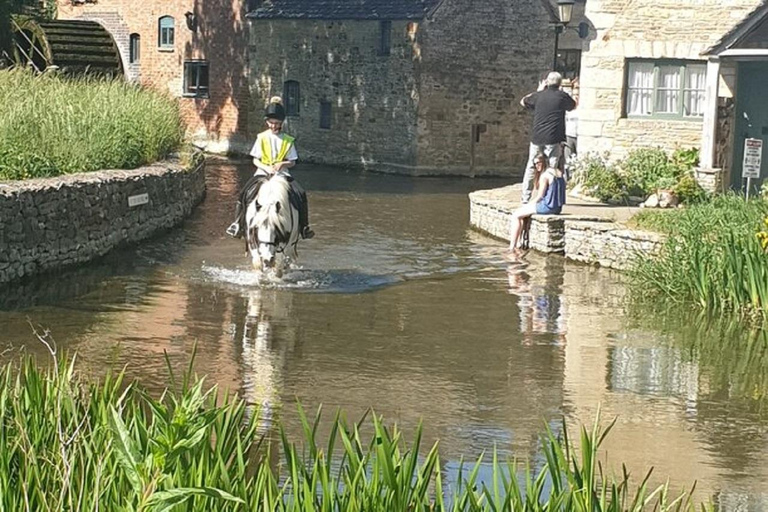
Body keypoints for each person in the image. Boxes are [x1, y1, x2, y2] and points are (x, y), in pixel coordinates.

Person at [226, 97, 314, 240]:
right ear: (267, 122)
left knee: (300, 193)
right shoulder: (261, 137)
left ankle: (304, 227)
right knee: (244, 192)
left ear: (281, 123)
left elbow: (292, 161)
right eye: (271, 123)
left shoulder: (288, 140)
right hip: (262, 172)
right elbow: (255, 159)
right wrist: (265, 167)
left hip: (282, 174)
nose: (273, 126)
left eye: (276, 123)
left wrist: (282, 164)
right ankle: (237, 224)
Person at [519, 71, 576, 204]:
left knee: (531, 166)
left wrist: (537, 91)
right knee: (551, 168)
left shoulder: (538, 96)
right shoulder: (562, 96)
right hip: (553, 138)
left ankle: (525, 198)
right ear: (560, 83)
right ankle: (546, 197)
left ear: (547, 82)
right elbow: (572, 106)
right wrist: (562, 93)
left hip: (537, 137)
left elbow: (522, 102)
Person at [506, 153, 566, 257]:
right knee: (522, 216)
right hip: (557, 208)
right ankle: (519, 243)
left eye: (538, 163)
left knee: (516, 215)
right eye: (535, 164)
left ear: (543, 162)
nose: (536, 166)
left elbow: (540, 197)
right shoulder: (559, 172)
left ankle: (512, 246)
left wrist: (527, 205)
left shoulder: (545, 176)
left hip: (547, 207)